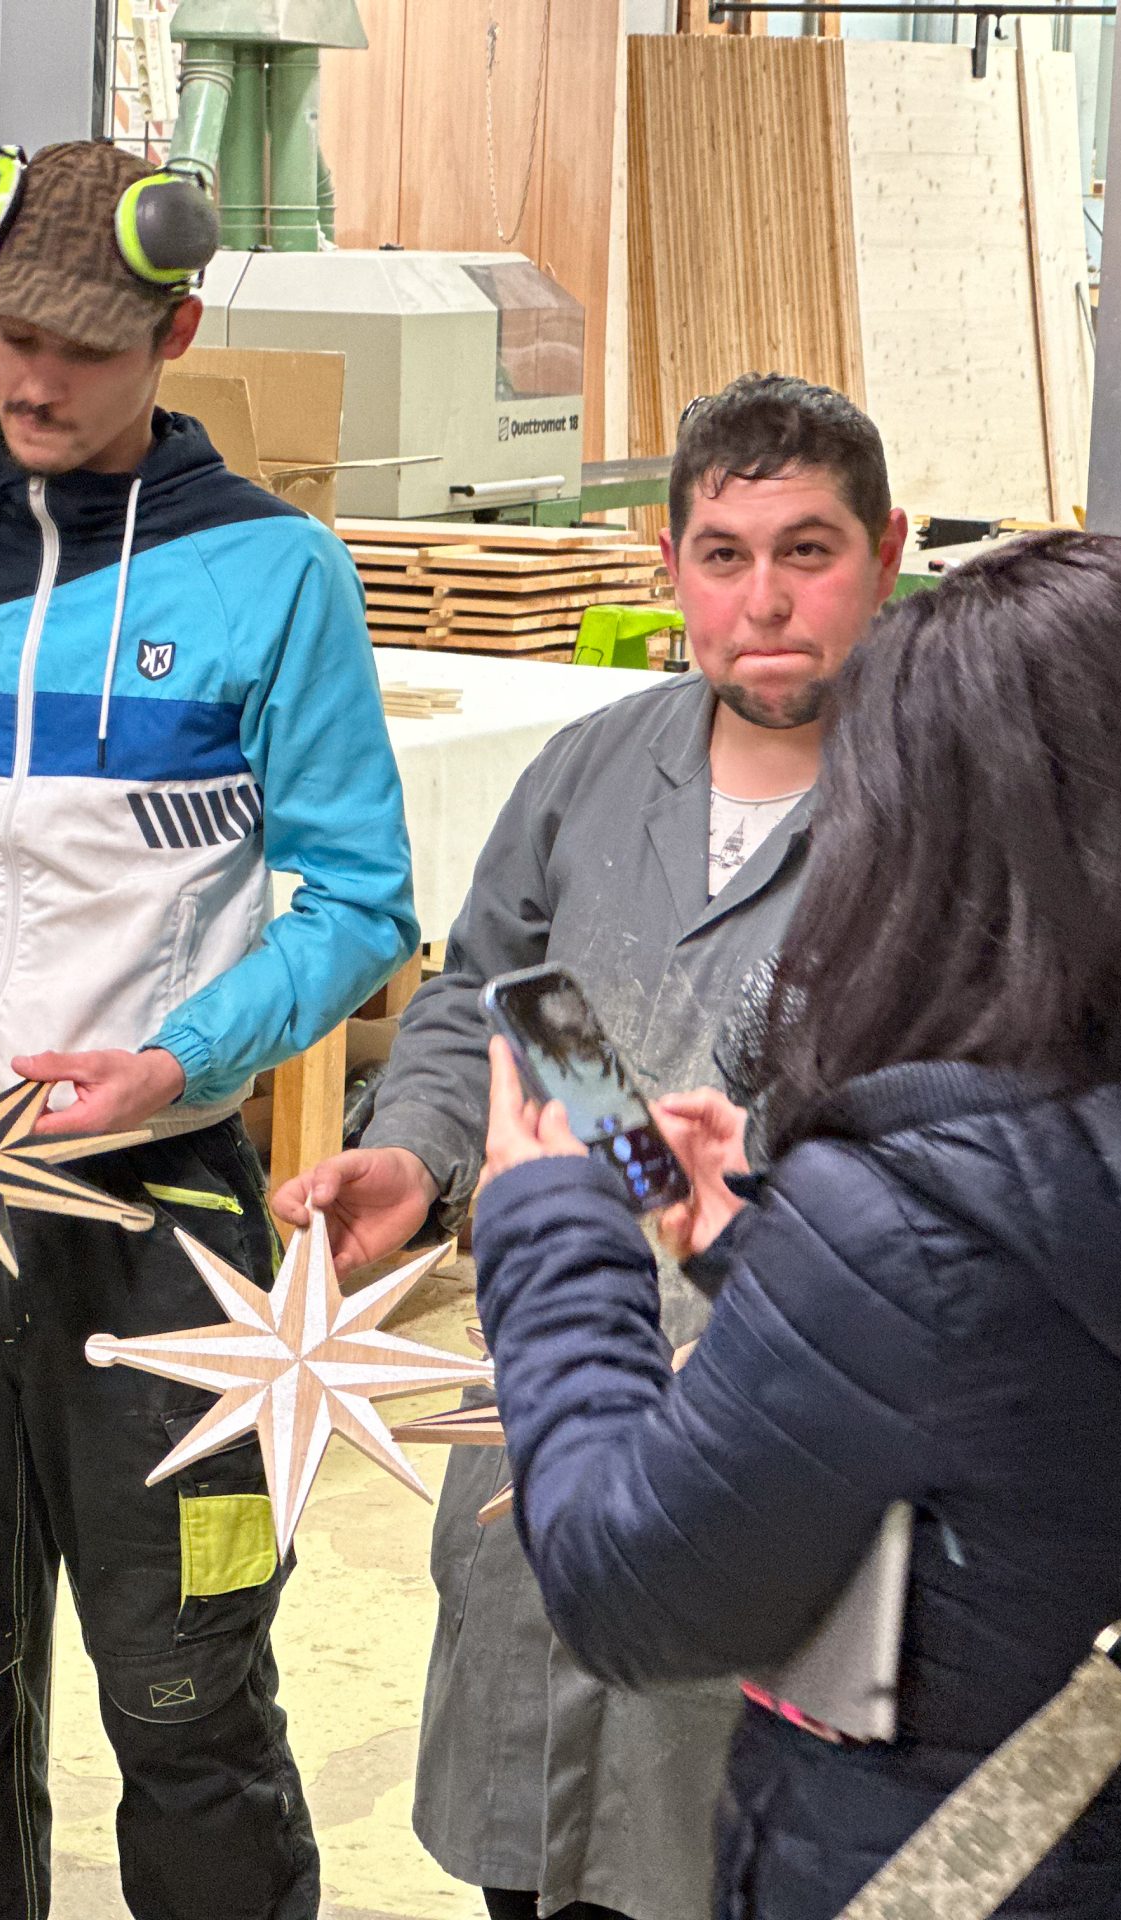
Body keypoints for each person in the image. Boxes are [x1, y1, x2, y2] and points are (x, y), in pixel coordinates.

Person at [474, 530, 1121, 1920]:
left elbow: (630, 1589)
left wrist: (554, 1228)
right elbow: (1055, 1379)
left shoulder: (902, 1220)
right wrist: (765, 1245)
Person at [0, 139, 417, 1920]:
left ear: (175, 336)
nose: (35, 380)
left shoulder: (277, 572)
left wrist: (180, 1065)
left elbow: (364, 903)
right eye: (10, 338)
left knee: (188, 1701)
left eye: (83, 347)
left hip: (163, 1225)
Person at [274, 373, 907, 1920]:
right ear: (669, 565)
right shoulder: (593, 773)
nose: (764, 601)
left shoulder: (949, 813)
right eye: (723, 556)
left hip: (781, 1410)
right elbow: (490, 998)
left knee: (729, 1849)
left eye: (808, 551)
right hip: (549, 1387)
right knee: (537, 1841)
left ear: (888, 552)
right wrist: (417, 1153)